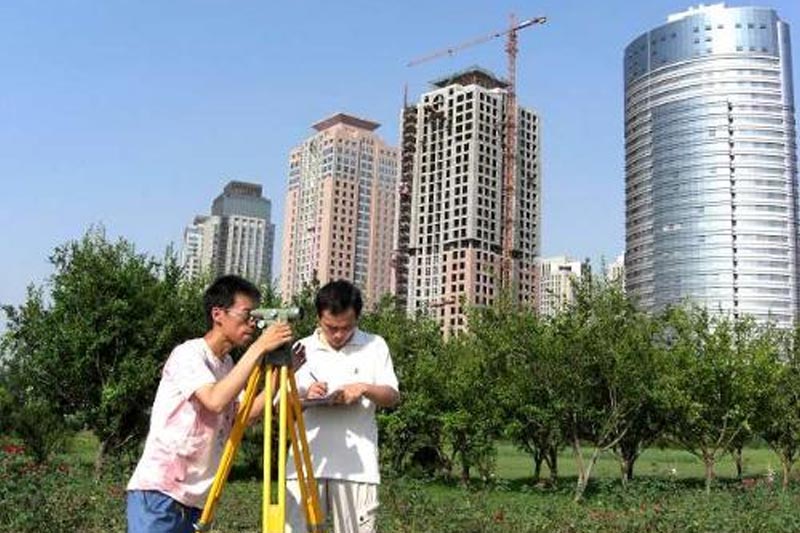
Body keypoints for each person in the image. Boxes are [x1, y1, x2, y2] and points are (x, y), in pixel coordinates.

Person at [126, 274, 298, 533]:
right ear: (218, 314)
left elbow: (243, 414)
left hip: (196, 500)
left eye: (256, 317)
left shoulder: (227, 364)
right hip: (161, 493)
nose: (253, 323)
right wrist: (259, 348)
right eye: (246, 314)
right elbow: (215, 400)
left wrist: (278, 378)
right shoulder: (189, 354)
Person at [287, 280, 400, 533]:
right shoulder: (300, 350)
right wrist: (306, 396)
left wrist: (363, 388)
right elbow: (277, 406)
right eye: (330, 327)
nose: (338, 334)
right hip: (305, 467)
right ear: (318, 318)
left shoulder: (375, 345)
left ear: (357, 318)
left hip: (358, 470)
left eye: (346, 327)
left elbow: (392, 396)